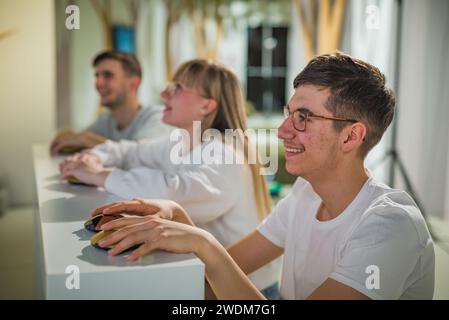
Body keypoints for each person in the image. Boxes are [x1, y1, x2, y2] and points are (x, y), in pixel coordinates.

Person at [89, 52, 435, 300]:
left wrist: (203, 243)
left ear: (351, 136)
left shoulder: (389, 226)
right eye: (289, 114)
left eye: (303, 117)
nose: (284, 131)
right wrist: (176, 215)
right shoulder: (305, 193)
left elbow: (219, 264)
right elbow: (226, 273)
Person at [59, 59, 282, 298]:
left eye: (177, 88)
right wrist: (90, 158)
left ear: (207, 105)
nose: (164, 93)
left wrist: (99, 175)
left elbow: (172, 194)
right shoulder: (181, 141)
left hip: (241, 290)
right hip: (207, 280)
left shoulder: (226, 152)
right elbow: (129, 151)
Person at [50, 51, 170, 155]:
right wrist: (72, 137)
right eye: (97, 76)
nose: (98, 83)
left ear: (134, 84)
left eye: (108, 75)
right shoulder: (106, 120)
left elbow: (141, 156)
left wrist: (89, 140)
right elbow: (75, 138)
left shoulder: (157, 118)